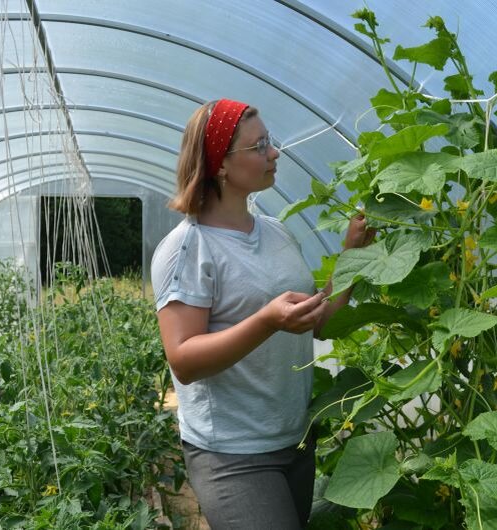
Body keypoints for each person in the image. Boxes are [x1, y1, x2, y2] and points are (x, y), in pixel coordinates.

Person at [151, 98, 374, 530]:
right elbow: (183, 359)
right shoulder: (188, 249)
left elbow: (320, 321)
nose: (274, 153)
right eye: (259, 146)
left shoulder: (276, 232)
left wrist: (352, 258)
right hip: (232, 455)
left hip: (295, 439)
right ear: (219, 165)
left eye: (269, 142)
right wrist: (266, 321)